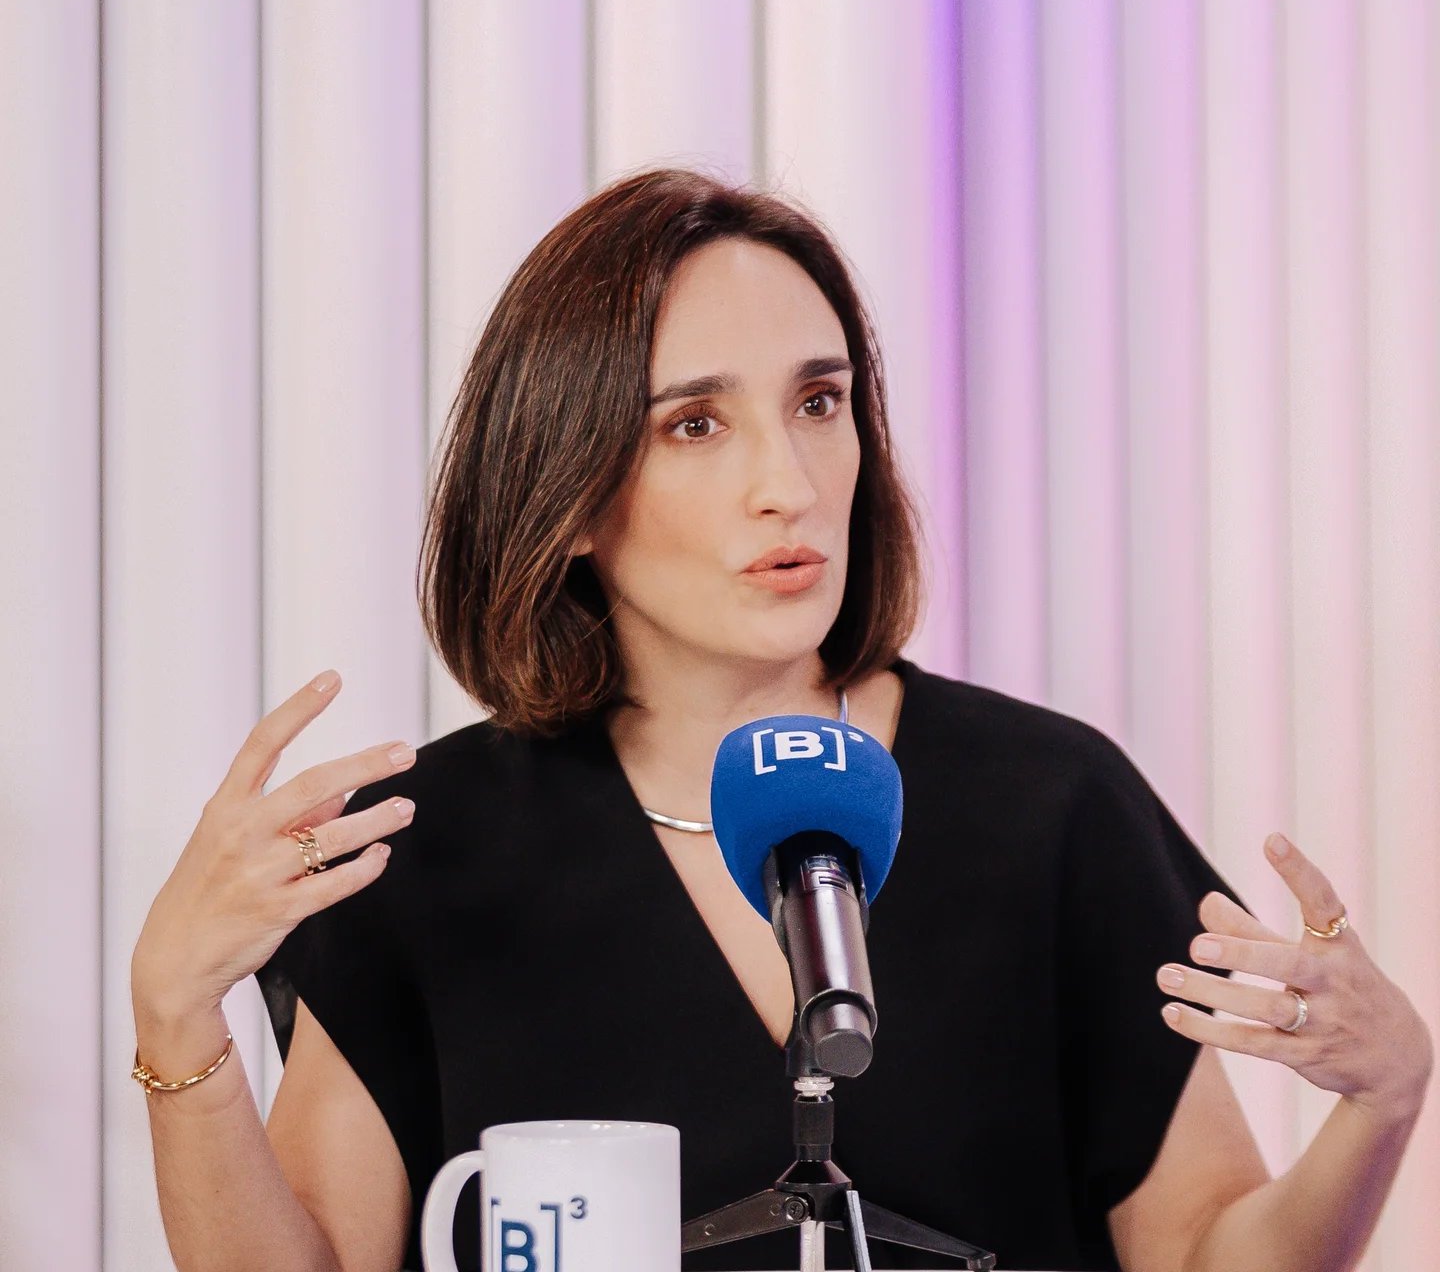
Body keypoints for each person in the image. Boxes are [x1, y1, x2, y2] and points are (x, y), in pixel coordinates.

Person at [131, 168, 1433, 1272]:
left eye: (820, 402)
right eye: (696, 424)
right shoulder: (426, 851)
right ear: (567, 496)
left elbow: (1207, 1250)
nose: (789, 482)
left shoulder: (1050, 804)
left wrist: (1383, 1100)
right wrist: (175, 1017)